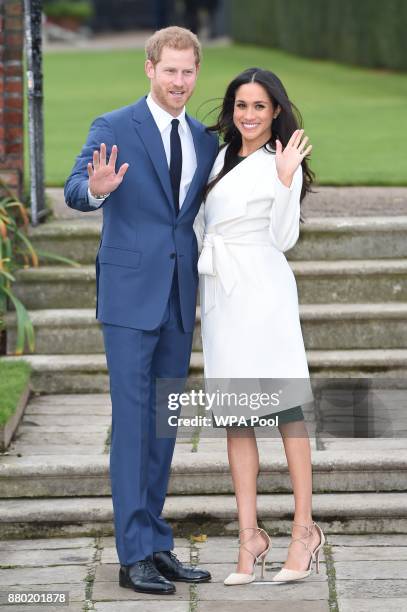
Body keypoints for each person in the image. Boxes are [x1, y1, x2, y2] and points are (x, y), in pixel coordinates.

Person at [64, 26, 218, 595]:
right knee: (133, 425)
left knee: (162, 423)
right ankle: (132, 557)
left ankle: (155, 541)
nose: (179, 81)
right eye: (170, 70)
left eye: (188, 72)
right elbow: (74, 189)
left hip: (179, 297)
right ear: (149, 68)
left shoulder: (204, 139)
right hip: (130, 298)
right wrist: (97, 189)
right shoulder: (114, 126)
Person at [195, 67, 325, 585]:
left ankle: (303, 529)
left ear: (275, 112)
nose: (249, 115)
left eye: (260, 107)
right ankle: (249, 538)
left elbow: (284, 237)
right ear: (233, 110)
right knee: (236, 416)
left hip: (264, 290)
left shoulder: (279, 159)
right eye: (242, 105)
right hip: (222, 294)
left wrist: (287, 180)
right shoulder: (221, 157)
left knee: (285, 410)